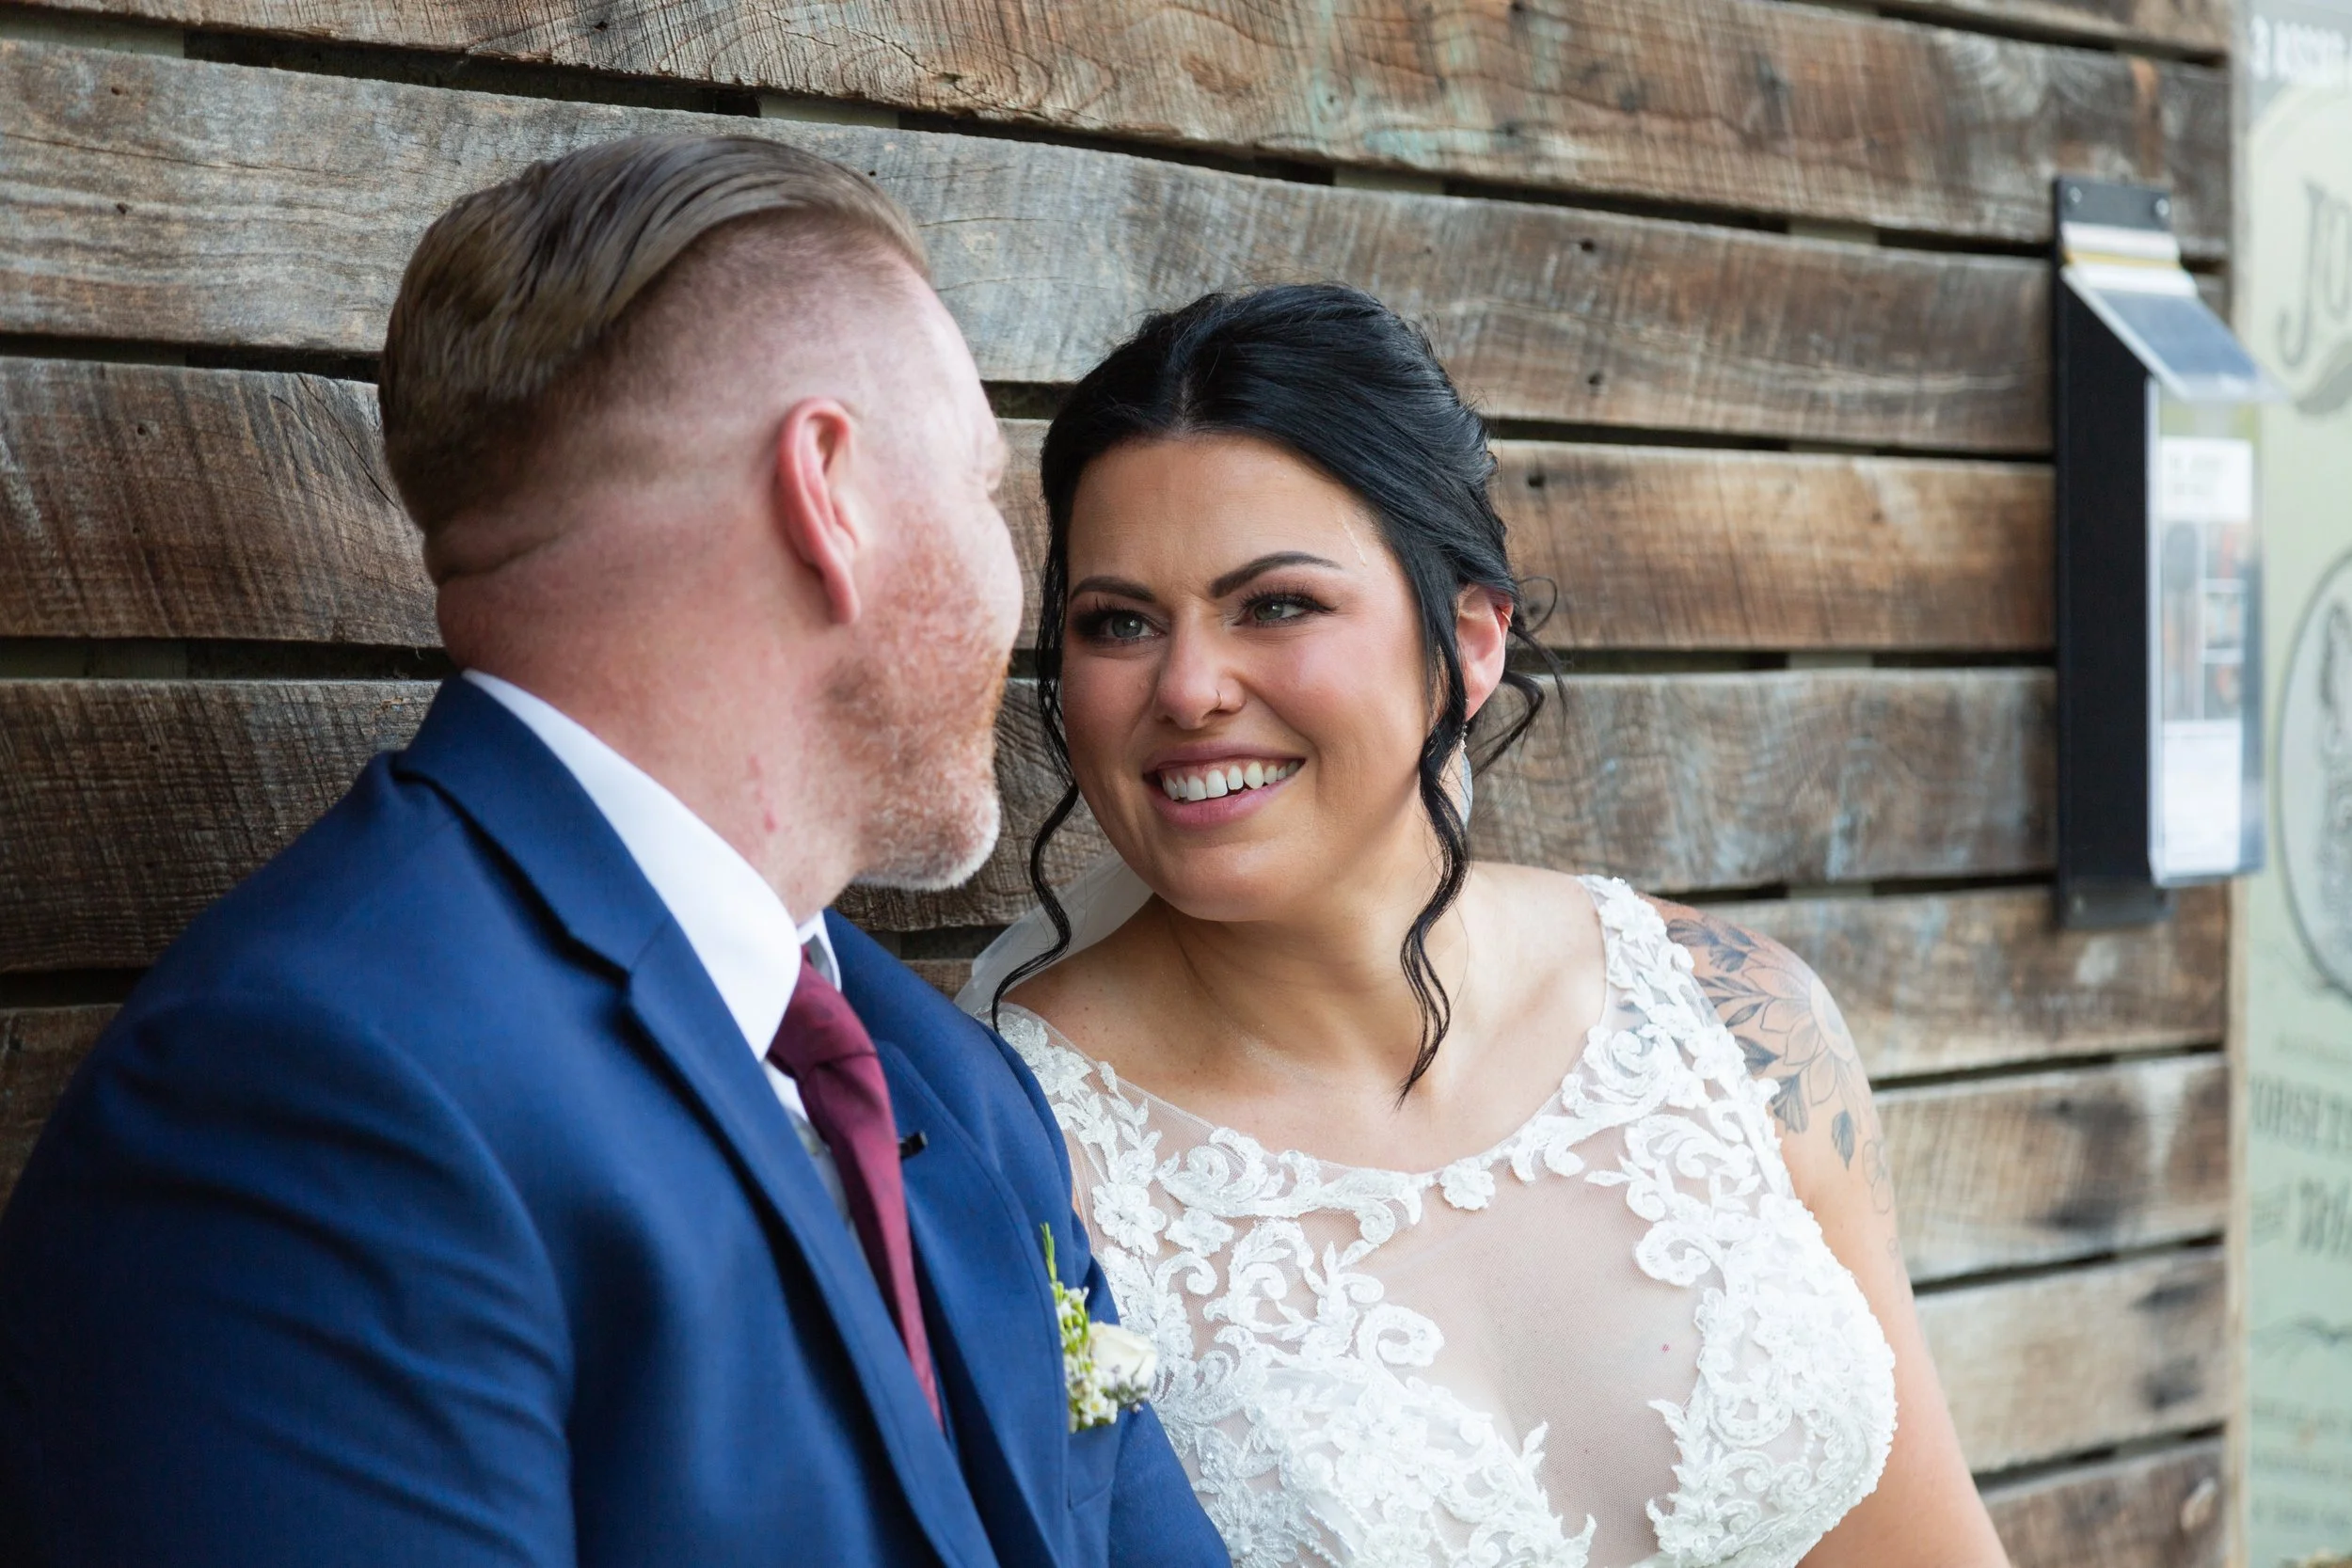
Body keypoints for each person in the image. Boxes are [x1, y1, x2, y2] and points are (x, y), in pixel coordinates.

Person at [0, 134, 1227, 1568]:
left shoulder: (950, 1083)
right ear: (829, 494)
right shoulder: (300, 1097)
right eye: (980, 488)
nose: (1015, 591)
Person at [958, 284, 2012, 1568]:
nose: (1187, 687)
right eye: (1119, 623)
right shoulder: (1015, 1152)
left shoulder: (1734, 1018)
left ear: (1468, 640)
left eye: (1274, 603)